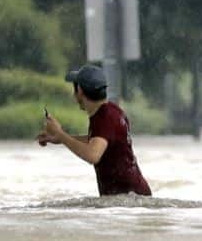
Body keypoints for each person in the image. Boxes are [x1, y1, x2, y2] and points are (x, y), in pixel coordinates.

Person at [36, 64, 152, 197]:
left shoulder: (105, 118)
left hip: (131, 201)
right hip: (133, 198)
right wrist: (59, 139)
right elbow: (99, 140)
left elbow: (92, 155)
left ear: (79, 90)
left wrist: (61, 134)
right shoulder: (112, 111)